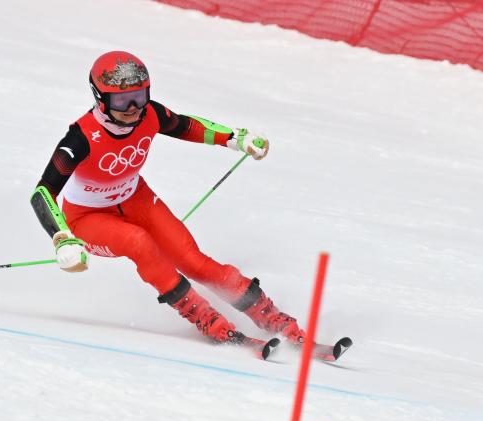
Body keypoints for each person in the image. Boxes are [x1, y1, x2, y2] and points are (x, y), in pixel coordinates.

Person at [30, 50, 304, 345]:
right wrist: (62, 238)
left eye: (139, 96)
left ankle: (268, 314)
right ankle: (206, 318)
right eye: (121, 101)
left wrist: (234, 137)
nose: (133, 108)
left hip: (136, 199)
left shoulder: (151, 114)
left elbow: (185, 126)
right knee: (138, 242)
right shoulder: (80, 138)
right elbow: (43, 192)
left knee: (194, 262)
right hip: (86, 218)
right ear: (100, 99)